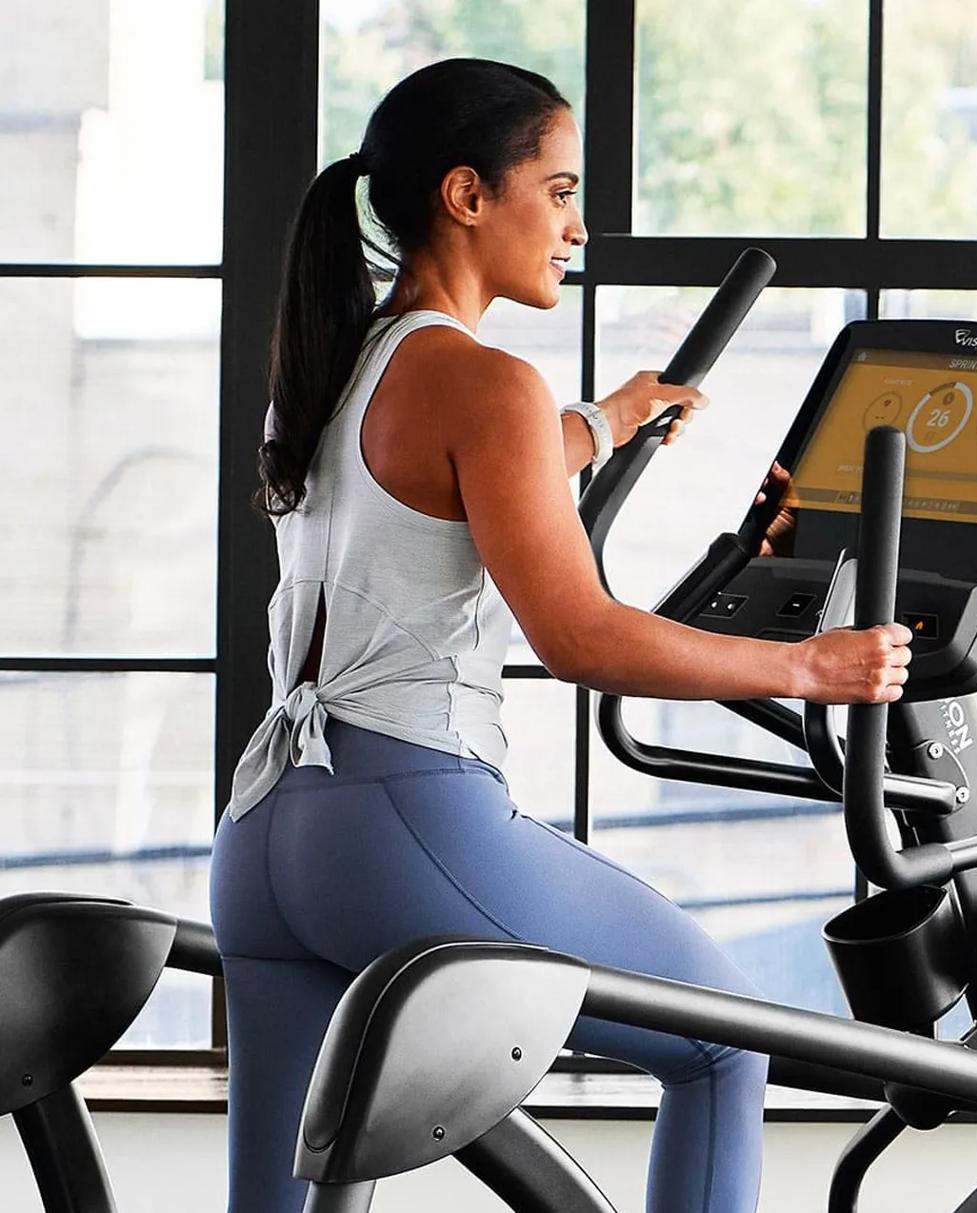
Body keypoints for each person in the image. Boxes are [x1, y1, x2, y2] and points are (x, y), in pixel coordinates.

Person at [209, 57, 912, 1213]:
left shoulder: (330, 366)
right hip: (404, 820)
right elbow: (580, 634)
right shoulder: (488, 384)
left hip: (267, 836)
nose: (580, 228)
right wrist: (809, 666)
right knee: (725, 1044)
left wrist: (606, 420)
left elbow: (430, 484)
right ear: (469, 196)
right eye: (563, 190)